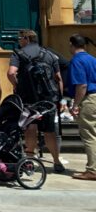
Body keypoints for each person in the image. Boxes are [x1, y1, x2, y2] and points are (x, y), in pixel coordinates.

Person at [7, 29, 66, 173]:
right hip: (48, 99)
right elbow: (58, 78)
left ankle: (29, 159)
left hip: (28, 98)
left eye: (20, 38)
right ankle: (56, 161)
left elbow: (10, 73)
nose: (19, 41)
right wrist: (60, 98)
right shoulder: (50, 54)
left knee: (30, 128)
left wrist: (17, 86)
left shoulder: (18, 54)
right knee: (50, 130)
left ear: (26, 38)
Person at [68, 34, 96, 182]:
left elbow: (82, 85)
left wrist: (75, 105)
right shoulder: (92, 59)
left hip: (88, 99)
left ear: (72, 45)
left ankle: (93, 170)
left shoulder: (76, 61)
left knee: (89, 135)